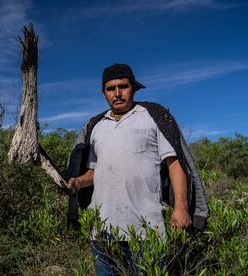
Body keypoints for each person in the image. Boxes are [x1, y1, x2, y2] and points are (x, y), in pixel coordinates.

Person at [67, 63, 208, 275]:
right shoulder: (96, 126)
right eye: (110, 88)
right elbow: (94, 173)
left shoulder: (151, 116)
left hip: (146, 230)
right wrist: (77, 182)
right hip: (102, 230)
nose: (117, 93)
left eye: (122, 86)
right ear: (103, 93)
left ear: (133, 87)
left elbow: (175, 164)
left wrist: (181, 207)